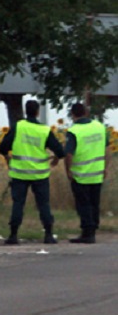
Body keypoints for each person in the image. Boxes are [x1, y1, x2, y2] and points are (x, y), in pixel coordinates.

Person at [0, 100, 64, 245]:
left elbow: (3, 147)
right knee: (43, 204)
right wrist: (56, 158)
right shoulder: (44, 130)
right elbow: (60, 150)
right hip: (39, 174)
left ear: (25, 111)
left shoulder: (18, 127)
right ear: (37, 112)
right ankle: (48, 235)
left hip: (19, 173)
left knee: (18, 204)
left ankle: (13, 235)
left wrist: (7, 156)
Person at [64, 103, 112, 244]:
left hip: (81, 175)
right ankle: (93, 228)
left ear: (73, 115)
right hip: (97, 173)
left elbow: (68, 154)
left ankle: (87, 232)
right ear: (86, 112)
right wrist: (106, 167)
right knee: (94, 202)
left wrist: (68, 170)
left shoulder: (74, 131)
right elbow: (108, 149)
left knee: (83, 204)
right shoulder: (99, 127)